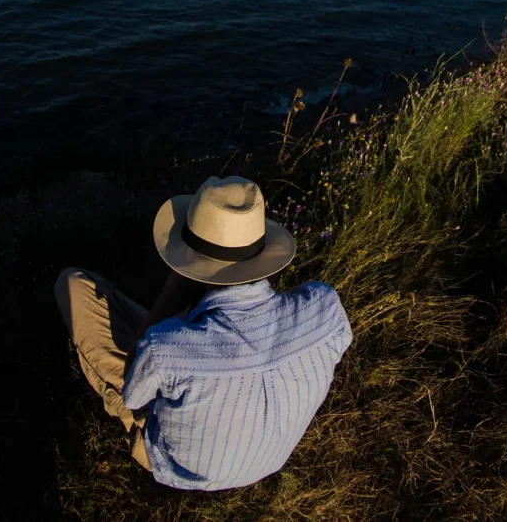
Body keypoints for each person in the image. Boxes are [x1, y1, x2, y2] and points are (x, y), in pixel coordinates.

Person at [54, 175, 352, 491]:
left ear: (189, 264)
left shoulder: (165, 348)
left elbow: (133, 393)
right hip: (271, 458)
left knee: (71, 283)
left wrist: (173, 288)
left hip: (185, 468)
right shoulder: (325, 307)